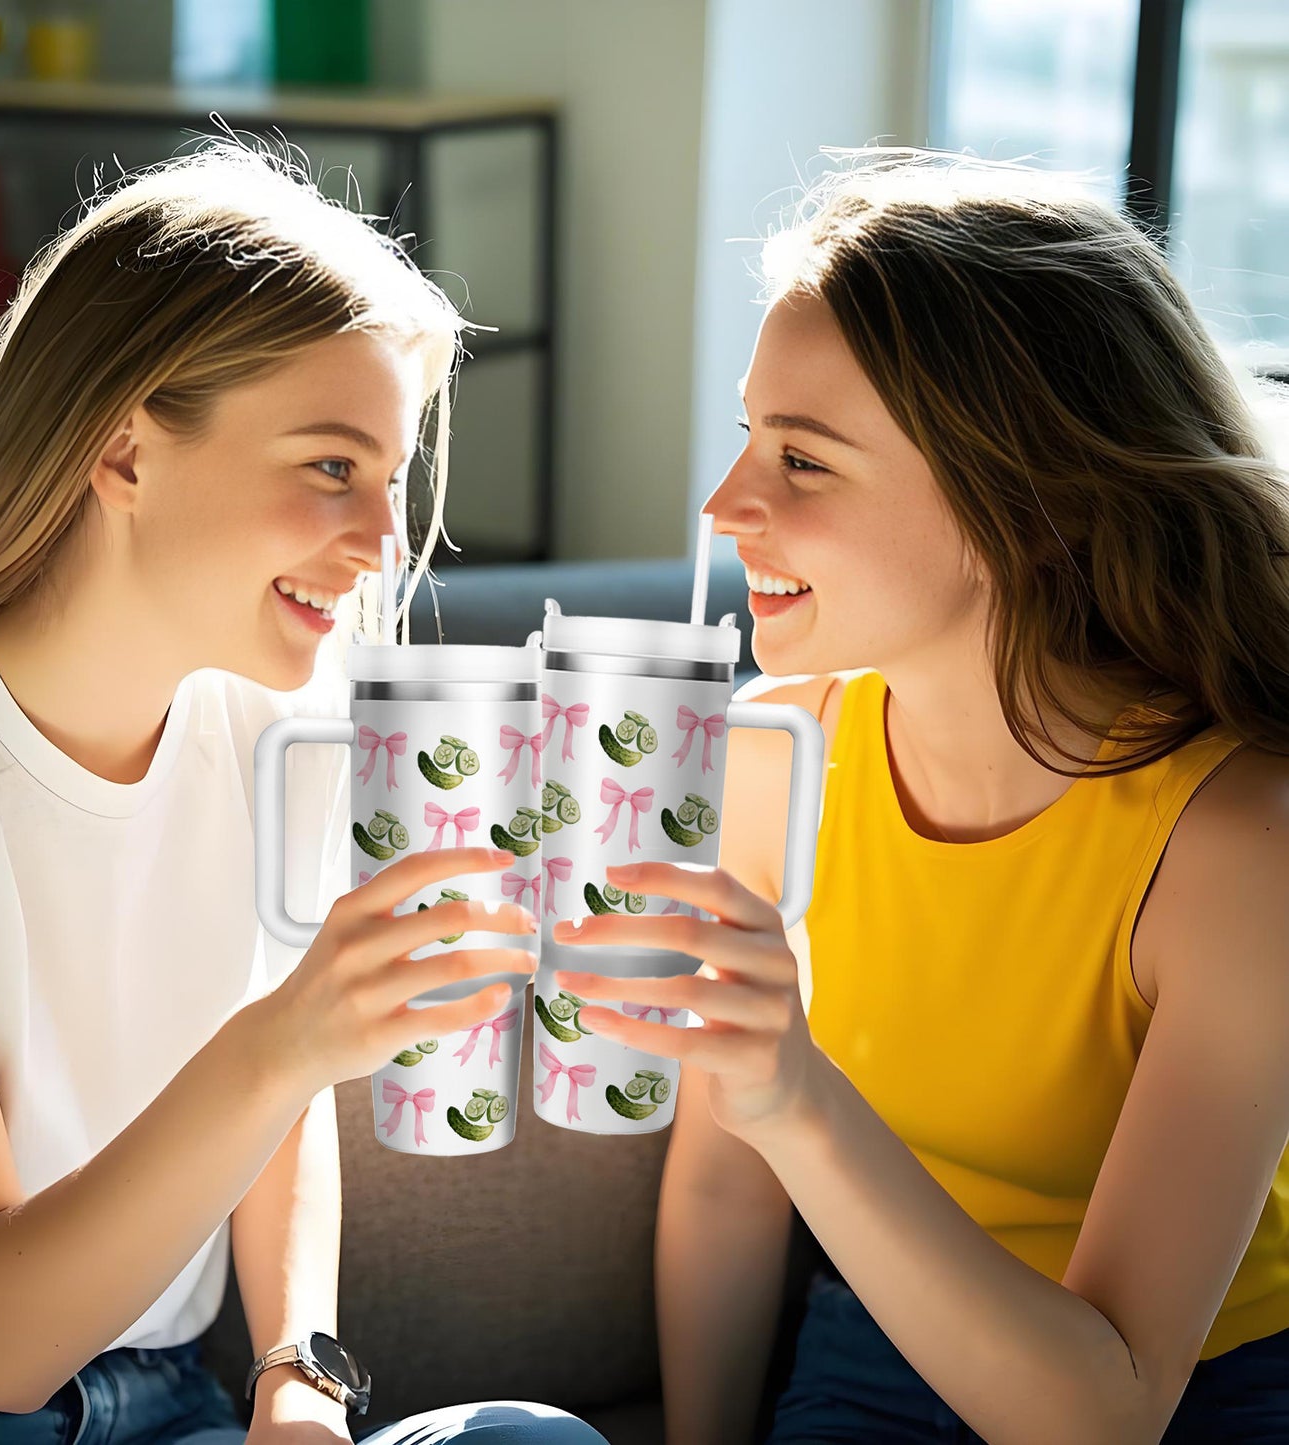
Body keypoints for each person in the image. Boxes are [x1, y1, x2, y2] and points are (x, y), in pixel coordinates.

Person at [0, 138, 607, 1445]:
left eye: (389, 479)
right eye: (330, 467)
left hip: (176, 1404)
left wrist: (297, 1377)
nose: (382, 543)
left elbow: (277, 1111)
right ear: (125, 453)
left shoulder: (279, 723)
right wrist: (288, 1036)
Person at [552, 150, 1289, 1444]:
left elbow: (1106, 1411)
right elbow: (725, 1187)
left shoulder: (1238, 845)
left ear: (1032, 508)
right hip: (873, 1354)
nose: (726, 504)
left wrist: (796, 1098)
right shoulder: (777, 752)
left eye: (804, 459)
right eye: (747, 435)